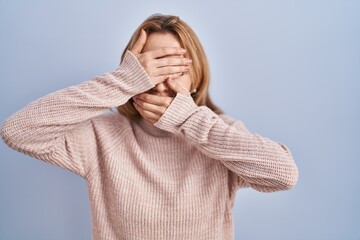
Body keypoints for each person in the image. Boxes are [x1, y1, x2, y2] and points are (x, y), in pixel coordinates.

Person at [0, 13, 299, 240]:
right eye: (153, 66)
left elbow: (283, 175)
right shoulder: (102, 136)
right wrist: (121, 81)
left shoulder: (219, 133)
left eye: (176, 67)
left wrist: (190, 119)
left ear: (196, 76)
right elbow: (18, 131)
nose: (162, 81)